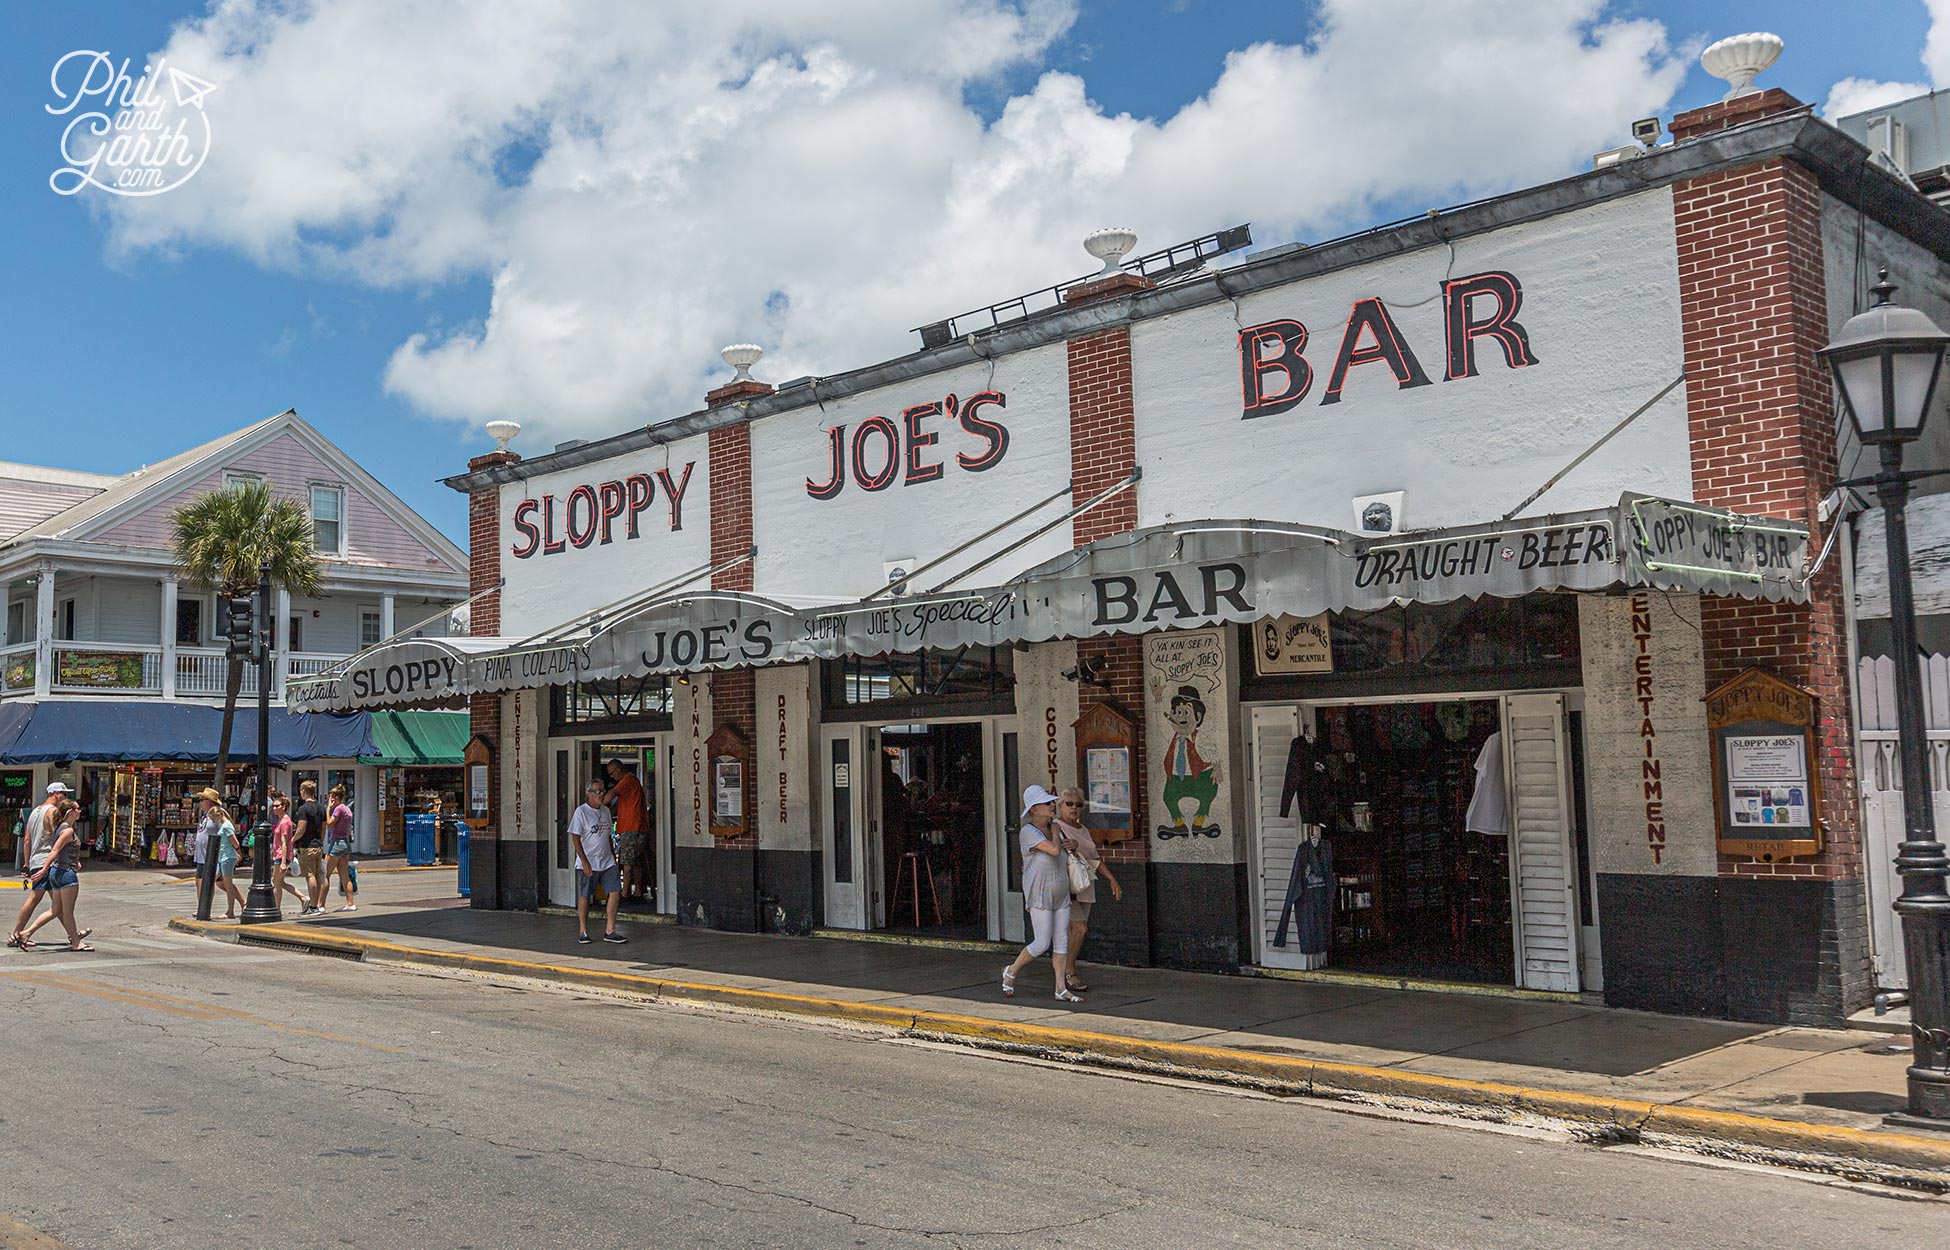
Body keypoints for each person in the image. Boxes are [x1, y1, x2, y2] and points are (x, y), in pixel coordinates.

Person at [1002, 785, 1080, 1003]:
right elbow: (1054, 850)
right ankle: (1011, 971)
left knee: (1062, 941)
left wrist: (1073, 844)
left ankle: (1060, 988)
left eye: (1052, 802)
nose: (1052, 805)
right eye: (1047, 803)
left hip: (1061, 892)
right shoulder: (1029, 832)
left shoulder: (1057, 828)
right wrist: (1056, 834)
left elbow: (1066, 851)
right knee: (1041, 943)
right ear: (1034, 810)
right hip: (1040, 894)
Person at [1054, 787, 1121, 994]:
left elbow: (1094, 858)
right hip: (1068, 887)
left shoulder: (1083, 829)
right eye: (1069, 804)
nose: (1074, 808)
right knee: (1080, 929)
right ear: (1060, 806)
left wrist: (1111, 879)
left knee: (1074, 932)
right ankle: (1069, 972)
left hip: (1084, 884)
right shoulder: (1056, 827)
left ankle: (1059, 971)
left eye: (1078, 804)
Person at [24, 799, 92, 952]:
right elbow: (54, 851)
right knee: (67, 912)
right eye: (77, 809)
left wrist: (76, 861)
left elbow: (63, 850)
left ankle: (26, 932)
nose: (80, 811)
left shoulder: (60, 828)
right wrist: (43, 869)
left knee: (55, 910)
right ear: (70, 812)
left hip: (57, 872)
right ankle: (76, 942)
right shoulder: (67, 830)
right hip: (65, 873)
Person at [8, 784, 69, 950]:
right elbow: (58, 836)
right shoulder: (53, 812)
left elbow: (26, 839)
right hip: (46, 860)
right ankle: (17, 933)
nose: (65, 797)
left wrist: (27, 863)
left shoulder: (35, 811)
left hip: (36, 860)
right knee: (38, 898)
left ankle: (73, 934)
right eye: (64, 794)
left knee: (58, 902)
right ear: (56, 794)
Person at [570, 780, 624, 945]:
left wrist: (614, 856)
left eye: (603, 791)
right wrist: (584, 861)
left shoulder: (606, 811)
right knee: (585, 896)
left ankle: (610, 930)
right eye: (598, 791)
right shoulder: (581, 812)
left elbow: (608, 835)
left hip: (606, 861)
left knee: (615, 891)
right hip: (588, 862)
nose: (602, 794)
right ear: (589, 793)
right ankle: (583, 931)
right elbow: (575, 838)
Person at [603, 758, 649, 902]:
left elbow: (611, 794)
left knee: (627, 862)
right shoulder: (631, 785)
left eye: (611, 773)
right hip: (633, 827)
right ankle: (637, 892)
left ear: (618, 769)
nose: (611, 777)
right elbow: (618, 807)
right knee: (634, 861)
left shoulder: (628, 780)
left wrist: (596, 807)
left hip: (632, 827)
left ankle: (624, 894)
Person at [197, 789, 246, 920]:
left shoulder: (225, 826)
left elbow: (235, 842)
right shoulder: (220, 823)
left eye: (203, 800)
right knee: (214, 881)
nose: (200, 802)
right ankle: (203, 907)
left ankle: (231, 910)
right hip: (220, 857)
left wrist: (238, 854)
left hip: (226, 857)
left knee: (227, 884)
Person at [292, 780, 328, 915]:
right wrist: (320, 841)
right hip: (318, 845)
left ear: (303, 791)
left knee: (310, 876)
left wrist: (292, 840)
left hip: (307, 846)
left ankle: (313, 907)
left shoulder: (303, 809)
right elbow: (324, 828)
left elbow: (301, 828)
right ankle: (318, 904)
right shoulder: (321, 808)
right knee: (318, 876)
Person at [268, 794, 309, 911]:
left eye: (277, 806)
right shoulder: (281, 820)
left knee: (276, 883)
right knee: (280, 882)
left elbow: (284, 843)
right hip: (279, 854)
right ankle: (303, 898)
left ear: (284, 806)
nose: (274, 808)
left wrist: (283, 862)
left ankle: (276, 908)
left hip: (282, 856)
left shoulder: (285, 822)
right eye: (273, 806)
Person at [322, 784, 357, 912]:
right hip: (345, 843)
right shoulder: (347, 809)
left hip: (337, 843)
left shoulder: (338, 809)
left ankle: (320, 905)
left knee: (325, 874)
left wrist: (328, 809)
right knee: (344, 875)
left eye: (330, 797)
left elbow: (329, 824)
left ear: (335, 798)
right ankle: (350, 902)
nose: (329, 800)